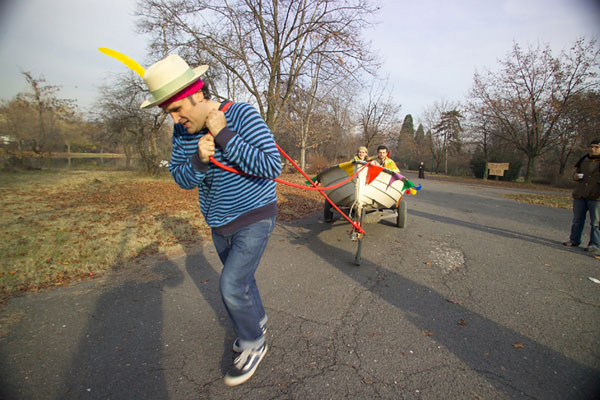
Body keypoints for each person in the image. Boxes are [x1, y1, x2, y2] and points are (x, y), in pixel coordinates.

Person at [140, 54, 281, 386]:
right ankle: (256, 322)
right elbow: (182, 179)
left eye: (176, 110)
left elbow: (271, 166)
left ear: (195, 94)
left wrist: (224, 136)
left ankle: (252, 343)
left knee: (231, 284)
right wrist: (200, 161)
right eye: (168, 114)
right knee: (243, 282)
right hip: (219, 223)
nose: (174, 119)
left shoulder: (242, 114)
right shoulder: (182, 134)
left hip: (255, 214)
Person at [563, 139, 600, 253]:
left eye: (596, 147)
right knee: (577, 219)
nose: (592, 149)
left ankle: (594, 244)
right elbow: (575, 173)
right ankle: (574, 239)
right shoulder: (584, 160)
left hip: (596, 196)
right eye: (591, 146)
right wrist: (575, 176)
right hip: (580, 193)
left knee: (596, 222)